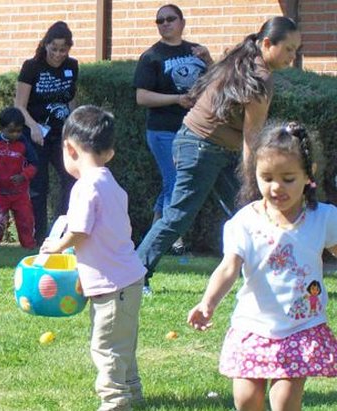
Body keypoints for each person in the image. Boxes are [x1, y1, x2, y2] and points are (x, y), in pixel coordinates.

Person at [137, 16, 301, 295]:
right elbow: (252, 138)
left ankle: (274, 275)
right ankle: (134, 276)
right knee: (178, 216)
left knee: (252, 212)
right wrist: (254, 180)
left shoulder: (244, 61)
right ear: (267, 44)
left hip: (208, 147)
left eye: (296, 50)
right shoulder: (259, 78)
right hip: (200, 148)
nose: (292, 56)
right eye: (288, 49)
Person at [187, 122, 337, 411]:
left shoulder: (324, 219)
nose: (276, 187)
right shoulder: (245, 222)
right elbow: (228, 267)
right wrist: (208, 303)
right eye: (266, 177)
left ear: (309, 174)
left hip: (300, 327)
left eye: (288, 178)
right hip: (252, 326)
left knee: (283, 403)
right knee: (246, 400)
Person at [40, 105, 146, 411]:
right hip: (127, 280)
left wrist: (57, 247)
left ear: (69, 149)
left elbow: (80, 231)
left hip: (113, 285)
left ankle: (114, 401)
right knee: (122, 344)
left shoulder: (85, 187)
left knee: (105, 346)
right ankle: (132, 391)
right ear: (109, 153)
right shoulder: (111, 183)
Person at [134, 4, 212, 253]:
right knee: (175, 181)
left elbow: (217, 81)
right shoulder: (151, 57)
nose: (165, 24)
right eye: (160, 21)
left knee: (171, 183)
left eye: (170, 19)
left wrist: (209, 60)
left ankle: (154, 238)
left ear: (182, 21)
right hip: (163, 130)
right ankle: (173, 239)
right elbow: (142, 97)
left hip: (192, 129)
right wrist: (176, 100)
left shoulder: (196, 50)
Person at [15, 21, 78, 245]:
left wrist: (74, 128)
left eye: (63, 49)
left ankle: (62, 229)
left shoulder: (72, 66)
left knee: (71, 179)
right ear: (46, 45)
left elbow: (70, 101)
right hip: (36, 134)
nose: (58, 54)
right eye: (54, 49)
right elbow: (20, 105)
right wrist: (33, 127)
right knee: (39, 187)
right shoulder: (32, 67)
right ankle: (39, 235)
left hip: (62, 135)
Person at [0, 107, 38, 249]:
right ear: (1, 128)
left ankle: (28, 247)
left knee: (25, 221)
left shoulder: (24, 144)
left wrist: (23, 176)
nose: (16, 134)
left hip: (20, 194)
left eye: (19, 131)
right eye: (11, 131)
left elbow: (34, 164)